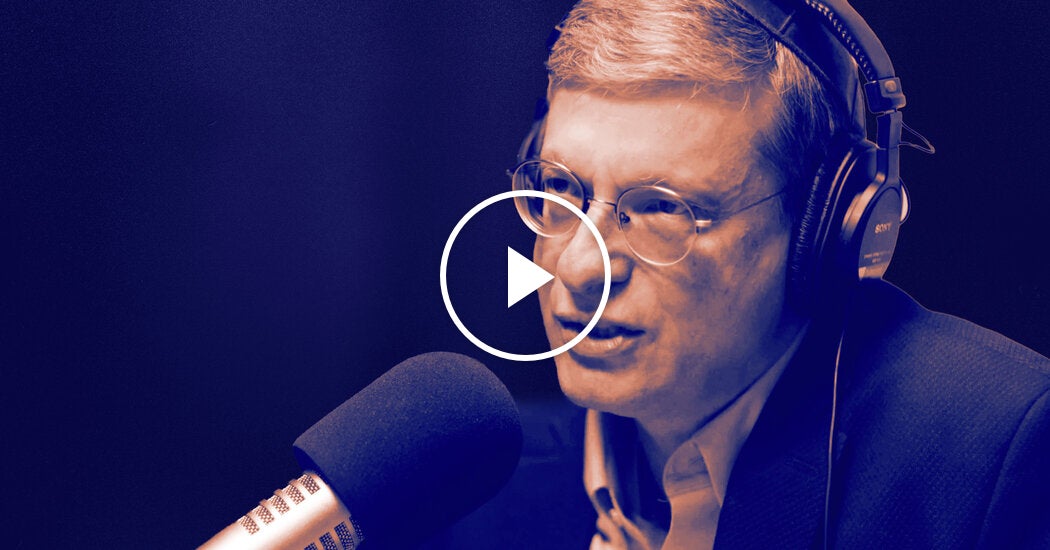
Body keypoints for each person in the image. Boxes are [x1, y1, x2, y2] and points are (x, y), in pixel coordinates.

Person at [425, 0, 1050, 548]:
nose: (578, 267)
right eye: (561, 188)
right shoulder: (477, 488)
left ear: (820, 228)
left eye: (663, 208)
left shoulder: (995, 459)